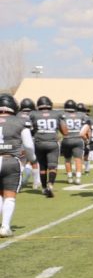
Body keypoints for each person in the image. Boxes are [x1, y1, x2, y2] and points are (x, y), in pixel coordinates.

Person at [0, 93, 35, 236]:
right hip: (11, 160)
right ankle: (5, 227)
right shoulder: (20, 121)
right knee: (9, 195)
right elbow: (28, 145)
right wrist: (32, 158)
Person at [30, 95, 62, 197]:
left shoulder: (33, 114)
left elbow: (29, 129)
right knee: (52, 166)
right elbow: (65, 131)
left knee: (42, 167)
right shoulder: (56, 114)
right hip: (52, 143)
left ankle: (44, 188)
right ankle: (50, 184)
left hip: (39, 143)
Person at [59, 100, 87, 184]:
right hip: (78, 139)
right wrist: (86, 138)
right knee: (78, 159)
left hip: (67, 139)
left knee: (67, 159)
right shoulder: (81, 115)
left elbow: (61, 127)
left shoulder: (62, 115)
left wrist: (63, 134)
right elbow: (86, 127)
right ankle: (78, 177)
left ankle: (70, 177)